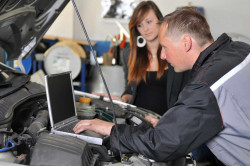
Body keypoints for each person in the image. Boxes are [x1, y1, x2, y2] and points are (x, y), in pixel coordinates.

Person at [74, 7, 250, 165]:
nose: (163, 55)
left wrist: (110, 129)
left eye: (165, 47)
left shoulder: (205, 87)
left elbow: (160, 144)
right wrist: (173, 125)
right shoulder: (240, 49)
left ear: (186, 43)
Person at [95, 1, 190, 115]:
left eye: (149, 22)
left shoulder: (175, 52)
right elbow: (130, 89)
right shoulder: (130, 54)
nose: (145, 29)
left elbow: (185, 93)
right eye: (139, 25)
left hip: (166, 123)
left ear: (160, 21)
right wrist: (123, 100)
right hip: (137, 121)